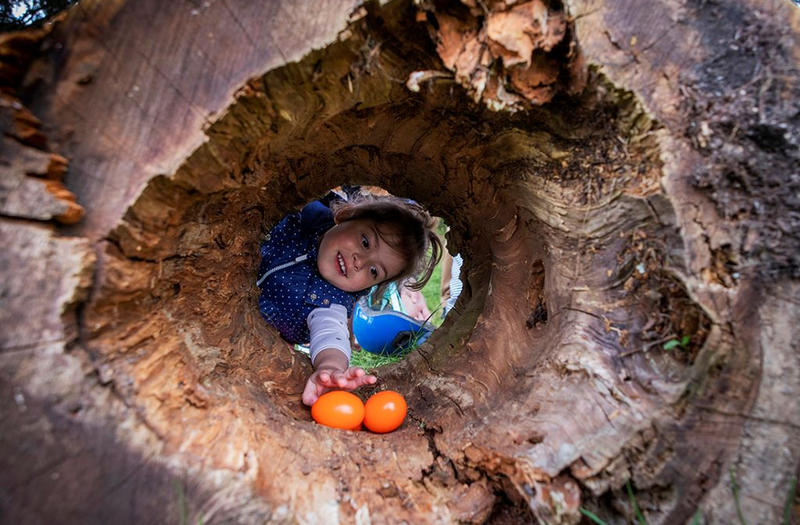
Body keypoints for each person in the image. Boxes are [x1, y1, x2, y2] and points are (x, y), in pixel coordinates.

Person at [256, 193, 442, 405]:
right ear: (346, 216)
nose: (359, 262)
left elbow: (330, 335)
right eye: (365, 242)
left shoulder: (331, 302)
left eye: (374, 271)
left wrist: (331, 368)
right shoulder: (309, 217)